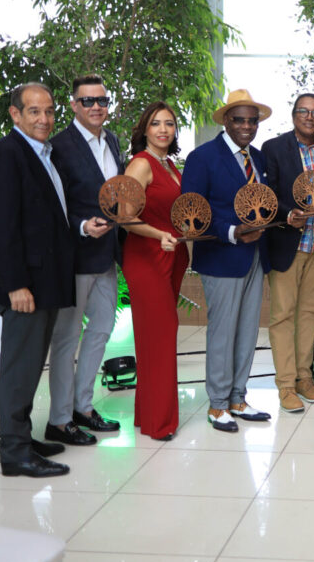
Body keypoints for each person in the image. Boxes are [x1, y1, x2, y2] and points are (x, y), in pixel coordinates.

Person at [0, 83, 82, 477]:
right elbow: (0, 227)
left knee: (31, 365)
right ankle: (15, 453)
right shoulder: (6, 154)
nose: (44, 119)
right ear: (15, 114)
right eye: (34, 111)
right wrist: (15, 284)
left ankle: (22, 436)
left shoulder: (44, 153)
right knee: (19, 369)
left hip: (45, 281)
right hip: (25, 285)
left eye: (49, 111)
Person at [181, 89, 274, 432]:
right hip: (222, 256)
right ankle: (218, 404)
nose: (247, 126)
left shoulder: (258, 159)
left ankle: (238, 398)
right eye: (239, 120)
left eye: (253, 121)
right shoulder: (202, 157)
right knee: (223, 333)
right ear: (225, 121)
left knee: (248, 332)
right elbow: (192, 211)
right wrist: (233, 232)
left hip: (255, 257)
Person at [46, 75, 123, 447]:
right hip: (75, 255)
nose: (96, 107)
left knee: (102, 329)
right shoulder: (59, 146)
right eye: (87, 101)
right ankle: (59, 421)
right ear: (74, 105)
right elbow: (52, 202)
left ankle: (83, 407)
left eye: (101, 100)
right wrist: (80, 226)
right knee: (66, 339)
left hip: (107, 255)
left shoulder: (112, 141)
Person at [262, 93, 314, 412]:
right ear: (294, 114)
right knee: (282, 315)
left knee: (310, 314)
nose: (310, 117)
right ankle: (285, 384)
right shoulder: (274, 148)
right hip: (288, 242)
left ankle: (304, 378)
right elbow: (268, 193)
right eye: (304, 111)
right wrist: (287, 213)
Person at [122, 102, 191, 440]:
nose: (163, 129)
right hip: (147, 258)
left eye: (169, 123)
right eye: (156, 123)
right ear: (145, 130)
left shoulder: (169, 165)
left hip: (170, 256)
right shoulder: (141, 164)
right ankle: (160, 423)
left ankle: (147, 414)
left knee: (155, 337)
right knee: (160, 337)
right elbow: (124, 216)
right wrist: (158, 234)